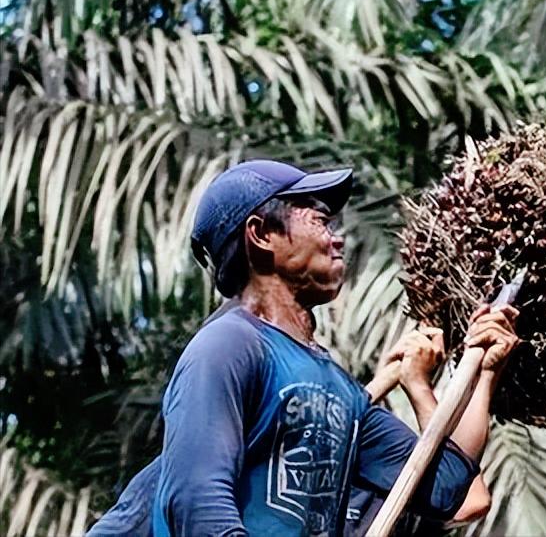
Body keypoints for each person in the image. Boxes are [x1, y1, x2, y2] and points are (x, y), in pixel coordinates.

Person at [89, 159, 518, 536]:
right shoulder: (228, 347)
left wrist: (484, 371)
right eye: (318, 221)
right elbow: (196, 504)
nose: (336, 238)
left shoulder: (341, 389)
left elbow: (446, 483)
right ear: (261, 236)